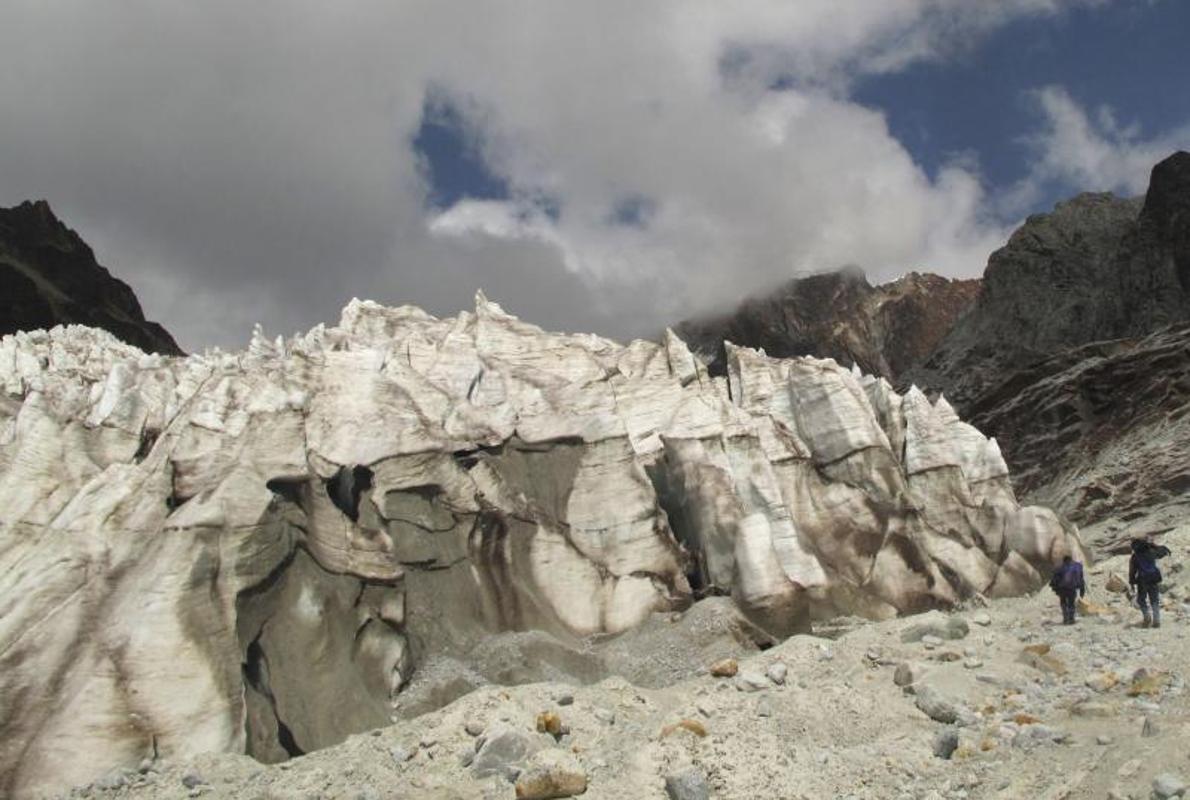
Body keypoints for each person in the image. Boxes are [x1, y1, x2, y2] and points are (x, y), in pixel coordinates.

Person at [1129, 538, 1172, 628]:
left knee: (1141, 600)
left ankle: (1147, 617)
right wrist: (1153, 545)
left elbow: (1132, 571)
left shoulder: (1135, 556)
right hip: (1153, 578)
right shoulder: (1151, 551)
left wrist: (1132, 583)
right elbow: (1162, 551)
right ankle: (1156, 620)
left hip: (1142, 580)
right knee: (1154, 600)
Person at [1049, 554, 1086, 625]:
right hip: (1072, 588)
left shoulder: (1060, 568)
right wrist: (1082, 591)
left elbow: (1054, 580)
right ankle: (1071, 619)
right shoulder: (1077, 567)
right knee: (1071, 603)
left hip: (1062, 589)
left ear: (1064, 560)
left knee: (1063, 603)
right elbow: (1081, 580)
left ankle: (1065, 618)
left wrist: (1055, 589)